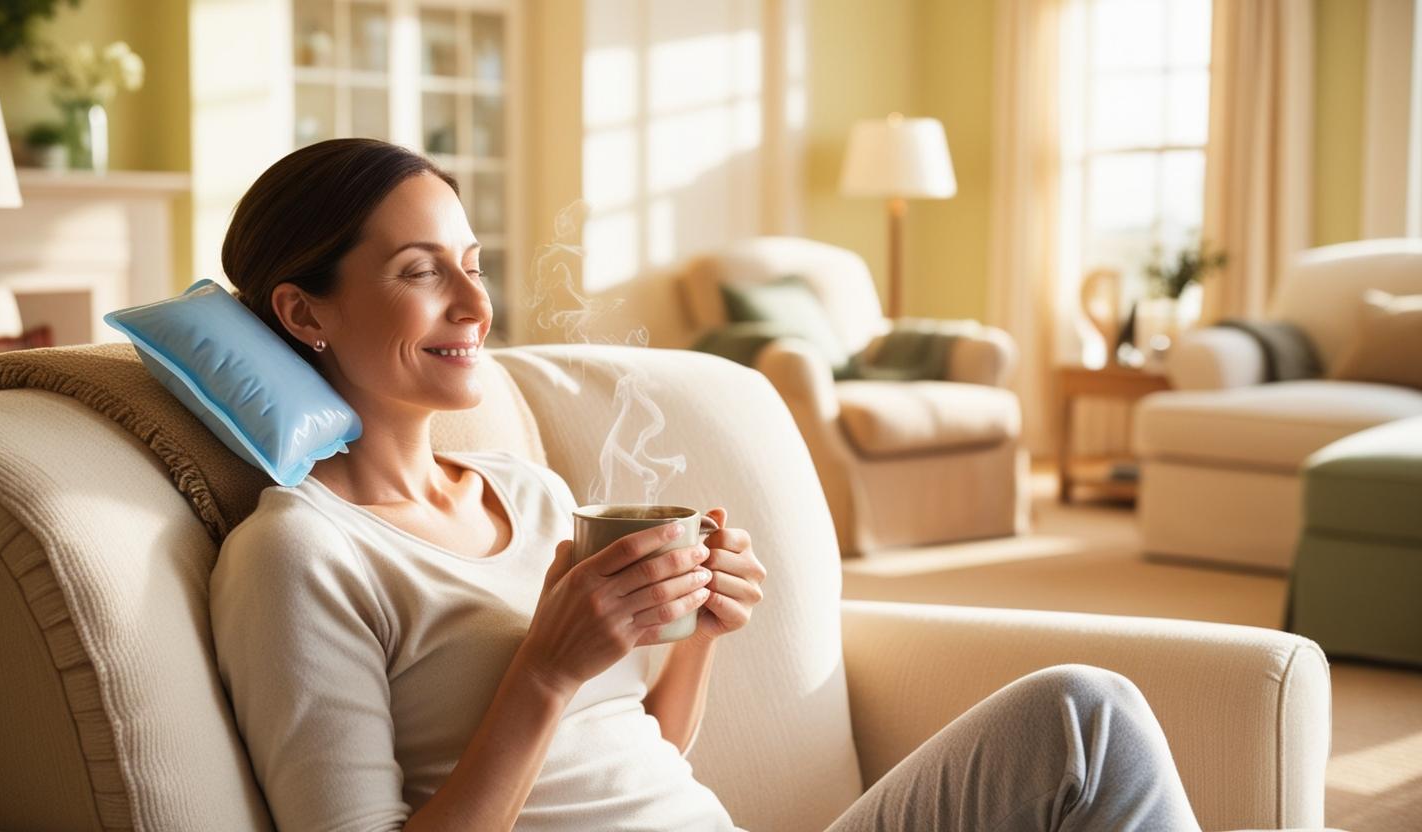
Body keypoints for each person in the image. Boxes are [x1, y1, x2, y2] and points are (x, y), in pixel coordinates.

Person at [209, 138, 1204, 832]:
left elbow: (641, 752)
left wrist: (701, 637)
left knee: (1084, 716)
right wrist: (542, 674)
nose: (475, 301)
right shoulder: (301, 551)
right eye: (423, 272)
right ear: (305, 312)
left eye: (473, 264)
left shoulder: (532, 495)